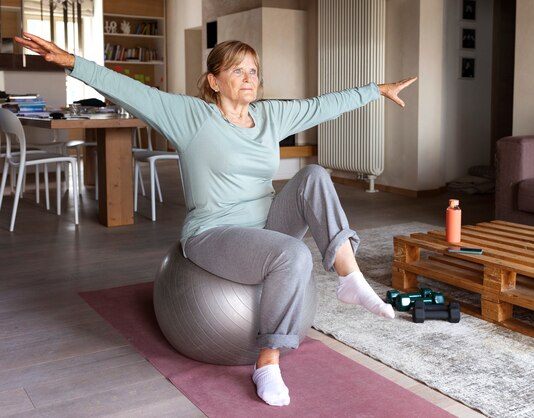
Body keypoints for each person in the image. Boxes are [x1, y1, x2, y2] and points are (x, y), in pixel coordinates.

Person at [16, 33, 416, 407]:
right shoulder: (191, 117)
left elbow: (322, 105)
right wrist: (70, 62)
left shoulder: (270, 116)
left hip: (269, 222)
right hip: (214, 232)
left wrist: (376, 90)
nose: (249, 78)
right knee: (293, 255)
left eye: (254, 71)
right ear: (214, 80)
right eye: (238, 70)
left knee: (314, 175)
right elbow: (129, 91)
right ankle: (267, 363)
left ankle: (350, 279)